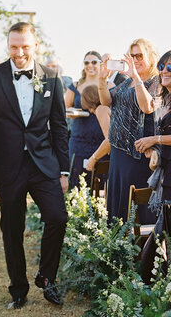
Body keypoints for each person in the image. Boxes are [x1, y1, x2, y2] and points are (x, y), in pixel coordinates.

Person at [0, 22, 69, 308]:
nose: (19, 52)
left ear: (36, 45)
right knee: (11, 228)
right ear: (7, 45)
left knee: (57, 217)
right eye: (14, 46)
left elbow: (59, 126)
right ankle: (18, 289)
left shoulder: (52, 77)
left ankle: (47, 277)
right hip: (8, 166)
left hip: (43, 165)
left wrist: (64, 170)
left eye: (25, 46)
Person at [99, 38, 159, 224]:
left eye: (139, 55)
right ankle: (117, 246)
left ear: (150, 57)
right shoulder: (126, 83)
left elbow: (147, 107)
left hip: (138, 152)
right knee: (118, 198)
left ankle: (140, 248)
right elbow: (106, 101)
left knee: (135, 204)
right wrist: (102, 79)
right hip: (119, 150)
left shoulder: (155, 81)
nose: (135, 59)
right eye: (132, 56)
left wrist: (137, 77)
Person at [134, 51, 171, 282]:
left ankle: (152, 287)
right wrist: (154, 150)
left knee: (160, 237)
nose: (165, 71)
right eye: (163, 66)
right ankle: (153, 287)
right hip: (166, 176)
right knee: (160, 237)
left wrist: (154, 140)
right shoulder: (165, 101)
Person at [64, 51, 107, 188]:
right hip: (79, 140)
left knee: (100, 180)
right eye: (87, 62)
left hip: (102, 141)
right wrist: (71, 113)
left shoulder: (108, 85)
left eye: (94, 62)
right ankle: (78, 209)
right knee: (77, 180)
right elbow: (64, 108)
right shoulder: (75, 86)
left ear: (100, 64)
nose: (90, 65)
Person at [81, 85, 111, 172]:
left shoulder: (100, 110)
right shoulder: (107, 107)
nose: (90, 111)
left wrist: (93, 159)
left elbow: (110, 140)